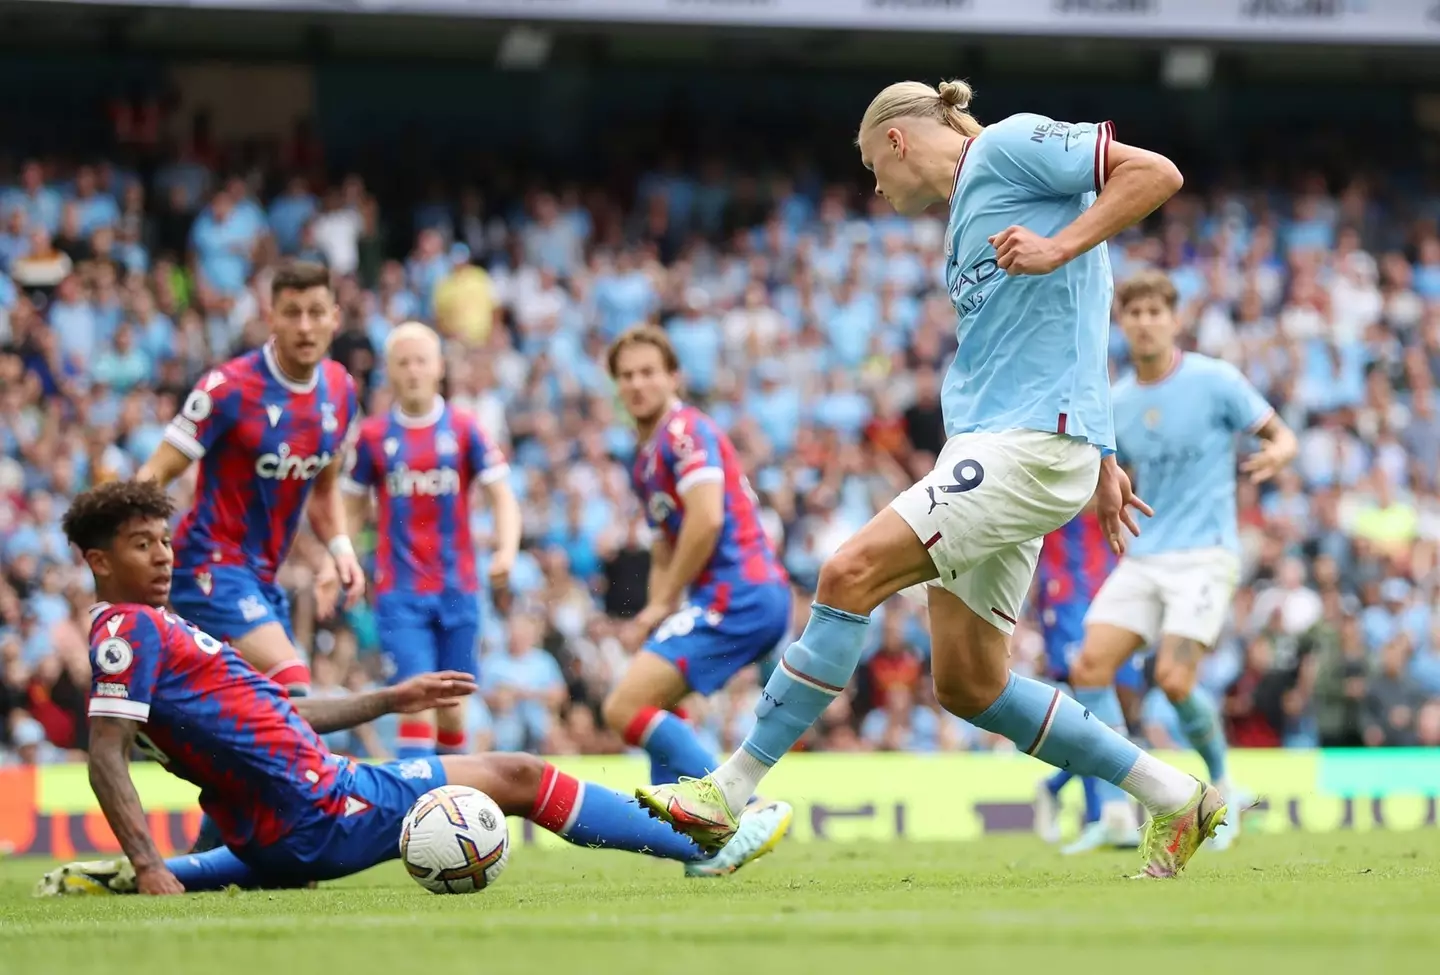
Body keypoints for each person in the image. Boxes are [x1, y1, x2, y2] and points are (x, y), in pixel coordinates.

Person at [638, 79, 1221, 879]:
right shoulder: (963, 220)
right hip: (1017, 441)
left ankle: (728, 789)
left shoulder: (1008, 146)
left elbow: (1156, 173)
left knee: (848, 570)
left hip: (1026, 445)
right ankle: (1173, 793)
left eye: (875, 168)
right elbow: (1070, 322)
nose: (877, 189)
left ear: (899, 141)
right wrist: (1105, 448)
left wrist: (1058, 248)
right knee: (970, 681)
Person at [36, 481, 793, 896]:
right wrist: (147, 859)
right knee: (517, 775)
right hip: (316, 806)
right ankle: (705, 842)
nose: (165, 557)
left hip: (292, 809)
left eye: (166, 540)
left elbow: (283, 712)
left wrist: (392, 698)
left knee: (274, 856)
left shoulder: (156, 630)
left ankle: (158, 876)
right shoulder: (125, 632)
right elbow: (105, 753)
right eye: (142, 545)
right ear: (98, 561)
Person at [137, 259, 364, 855]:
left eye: (317, 312)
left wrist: (340, 547)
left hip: (261, 579)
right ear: (271, 316)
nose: (306, 325)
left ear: (335, 317)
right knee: (290, 683)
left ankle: (219, 846)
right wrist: (136, 550)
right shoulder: (228, 388)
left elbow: (323, 487)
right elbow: (156, 473)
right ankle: (300, 831)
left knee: (258, 710)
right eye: (292, 312)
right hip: (205, 565)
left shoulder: (340, 390)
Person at [1068, 270, 1297, 851]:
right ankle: (1121, 813)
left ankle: (1221, 786)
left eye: (1155, 312)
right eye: (1134, 313)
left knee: (1173, 679)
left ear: (1175, 319)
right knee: (1090, 668)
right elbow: (1102, 477)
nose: (1144, 322)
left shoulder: (1215, 381)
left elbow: (1282, 436)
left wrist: (1276, 454)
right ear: (1122, 323)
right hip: (1147, 555)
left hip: (1205, 555)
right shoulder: (1115, 401)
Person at [600, 328, 792, 863]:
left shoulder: (683, 430)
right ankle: (699, 849)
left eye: (648, 372)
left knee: (623, 706)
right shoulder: (645, 457)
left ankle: (744, 807)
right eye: (627, 375)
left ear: (673, 378)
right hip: (732, 595)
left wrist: (663, 606)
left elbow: (705, 520)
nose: (637, 383)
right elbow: (665, 546)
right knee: (656, 706)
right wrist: (653, 611)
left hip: (741, 591)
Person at [343, 322, 521, 759]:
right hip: (399, 593)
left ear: (439, 367)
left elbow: (502, 495)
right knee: (416, 700)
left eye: (422, 360)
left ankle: (450, 810)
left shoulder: (465, 428)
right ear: (390, 371)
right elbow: (347, 504)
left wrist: (506, 550)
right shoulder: (373, 436)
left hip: (458, 588)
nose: (413, 370)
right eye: (403, 362)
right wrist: (343, 555)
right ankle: (417, 815)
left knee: (453, 710)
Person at [1029, 505, 1148, 851]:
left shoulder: (1113, 468)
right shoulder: (1060, 467)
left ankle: (1053, 788)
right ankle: (1104, 817)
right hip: (1066, 595)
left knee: (1122, 711)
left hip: (1111, 591)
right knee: (1089, 711)